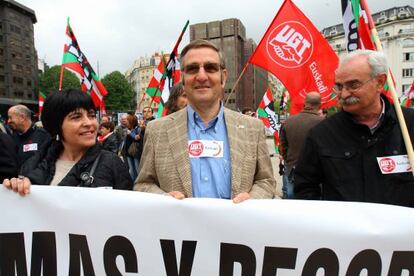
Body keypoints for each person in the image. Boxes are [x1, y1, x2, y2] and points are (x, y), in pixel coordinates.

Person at [135, 39, 276, 202]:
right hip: (178, 227)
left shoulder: (253, 128)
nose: (201, 76)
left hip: (235, 226)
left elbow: (266, 181)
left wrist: (252, 199)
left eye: (210, 68)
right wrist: (163, 199)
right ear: (183, 79)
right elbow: (143, 184)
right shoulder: (156, 130)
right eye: (193, 69)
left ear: (223, 77)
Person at [294, 50, 414, 207]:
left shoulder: (408, 124)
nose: (343, 94)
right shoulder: (321, 134)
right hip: (343, 230)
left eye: (353, 85)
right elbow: (305, 190)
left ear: (379, 82)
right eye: (339, 86)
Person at [2, 89, 132, 194]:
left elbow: (127, 213)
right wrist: (15, 189)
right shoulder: (32, 165)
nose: (89, 123)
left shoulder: (112, 163)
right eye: (76, 117)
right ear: (56, 125)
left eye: (91, 115)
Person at [279, 92, 324, 199]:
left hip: (293, 169)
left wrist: (289, 161)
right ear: (320, 105)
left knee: (293, 203)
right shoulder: (324, 123)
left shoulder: (288, 122)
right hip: (317, 173)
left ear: (304, 104)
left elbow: (282, 147)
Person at [123, 114, 141, 180]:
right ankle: (132, 184)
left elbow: (137, 138)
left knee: (137, 169)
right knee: (131, 169)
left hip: (135, 152)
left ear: (131, 121)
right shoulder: (127, 129)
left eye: (127, 119)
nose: (125, 121)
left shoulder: (137, 129)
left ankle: (138, 183)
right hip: (128, 152)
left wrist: (130, 133)